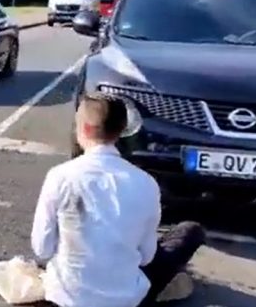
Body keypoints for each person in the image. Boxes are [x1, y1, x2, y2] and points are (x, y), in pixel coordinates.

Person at [31, 94, 206, 307]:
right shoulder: (146, 183)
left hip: (67, 297)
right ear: (122, 130)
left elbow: (42, 249)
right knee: (190, 231)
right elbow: (146, 258)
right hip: (127, 299)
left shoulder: (60, 176)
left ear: (84, 129)